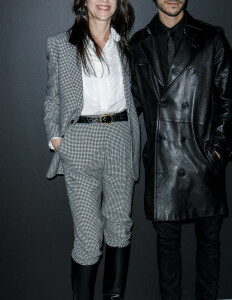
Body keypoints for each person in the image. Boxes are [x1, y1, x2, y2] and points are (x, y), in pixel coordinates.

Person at [131, 0, 232, 299]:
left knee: (209, 245)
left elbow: (229, 102)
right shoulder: (138, 43)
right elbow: (129, 105)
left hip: (203, 161)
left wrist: (215, 151)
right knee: (166, 249)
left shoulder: (211, 38)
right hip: (163, 164)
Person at [43, 0, 140, 299]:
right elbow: (53, 98)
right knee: (88, 235)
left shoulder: (125, 45)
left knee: (120, 226)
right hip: (81, 140)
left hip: (120, 137)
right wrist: (56, 138)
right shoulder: (60, 44)